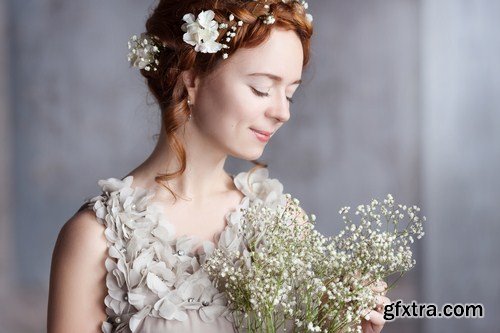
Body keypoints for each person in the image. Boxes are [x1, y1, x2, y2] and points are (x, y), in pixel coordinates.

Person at [47, 1, 390, 332]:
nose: (282, 113)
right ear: (191, 81)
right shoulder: (97, 239)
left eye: (290, 94)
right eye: (261, 89)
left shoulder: (282, 223)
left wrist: (344, 324)